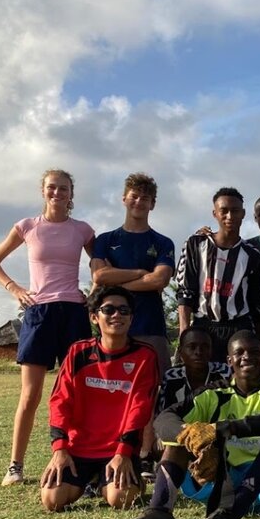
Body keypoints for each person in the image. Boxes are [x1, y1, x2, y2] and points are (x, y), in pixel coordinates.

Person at [116, 330, 260, 519]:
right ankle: (159, 512)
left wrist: (221, 429)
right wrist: (194, 436)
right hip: (222, 483)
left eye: (253, 352)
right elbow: (164, 419)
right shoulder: (214, 393)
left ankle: (226, 518)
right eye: (239, 352)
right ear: (229, 360)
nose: (246, 357)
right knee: (183, 435)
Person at [0, 168, 95, 486]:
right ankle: (15, 466)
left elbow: (100, 264)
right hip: (39, 313)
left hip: (74, 313)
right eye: (51, 188)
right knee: (30, 394)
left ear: (71, 194)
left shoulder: (83, 230)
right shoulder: (27, 226)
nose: (57, 193)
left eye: (63, 188)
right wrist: (14, 289)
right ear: (42, 191)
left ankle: (77, 461)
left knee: (77, 393)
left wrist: (95, 295)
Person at [39, 286, 159, 512]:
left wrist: (124, 453)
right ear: (94, 317)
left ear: (131, 318)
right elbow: (59, 401)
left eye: (124, 310)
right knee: (52, 499)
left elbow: (140, 407)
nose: (117, 315)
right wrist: (59, 449)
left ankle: (125, 482)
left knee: (121, 499)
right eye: (109, 310)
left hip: (117, 450)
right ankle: (92, 479)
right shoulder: (78, 353)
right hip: (77, 449)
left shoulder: (144, 355)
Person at [91, 172, 175, 476]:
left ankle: (145, 455)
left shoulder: (162, 241)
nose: (139, 202)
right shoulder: (106, 240)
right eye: (134, 196)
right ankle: (110, 450)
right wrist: (141, 273)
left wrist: (121, 279)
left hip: (151, 326)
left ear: (153, 204)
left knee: (154, 392)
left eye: (145, 198)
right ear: (124, 198)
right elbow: (99, 278)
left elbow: (160, 280)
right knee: (112, 391)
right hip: (112, 328)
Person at [175, 187, 260, 363]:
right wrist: (184, 332)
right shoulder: (195, 245)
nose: (229, 216)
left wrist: (259, 342)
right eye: (223, 211)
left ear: (243, 213)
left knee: (237, 383)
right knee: (199, 382)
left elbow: (259, 306)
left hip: (238, 327)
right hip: (203, 326)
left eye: (235, 211)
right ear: (215, 213)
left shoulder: (253, 256)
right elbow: (185, 292)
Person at [158, 326, 231, 414]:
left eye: (205, 347)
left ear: (211, 350)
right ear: (181, 351)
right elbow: (163, 415)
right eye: (192, 347)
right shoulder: (171, 377)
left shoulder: (223, 372)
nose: (199, 352)